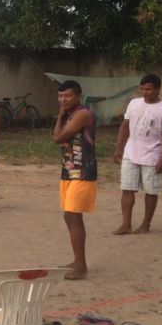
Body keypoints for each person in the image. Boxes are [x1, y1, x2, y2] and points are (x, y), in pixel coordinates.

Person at [113, 74, 162, 235]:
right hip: (131, 153)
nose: (145, 92)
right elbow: (125, 126)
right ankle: (126, 224)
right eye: (142, 89)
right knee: (127, 188)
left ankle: (146, 224)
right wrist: (119, 148)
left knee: (151, 191)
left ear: (157, 89)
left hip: (152, 156)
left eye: (149, 89)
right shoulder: (134, 103)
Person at [52, 80, 97, 280]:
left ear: (78, 96)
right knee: (68, 216)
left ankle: (81, 266)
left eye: (67, 96)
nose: (63, 99)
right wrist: (61, 116)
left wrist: (60, 117)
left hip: (83, 170)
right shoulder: (69, 113)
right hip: (69, 169)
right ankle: (78, 260)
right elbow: (57, 136)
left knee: (73, 215)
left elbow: (58, 138)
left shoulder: (82, 114)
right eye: (60, 96)